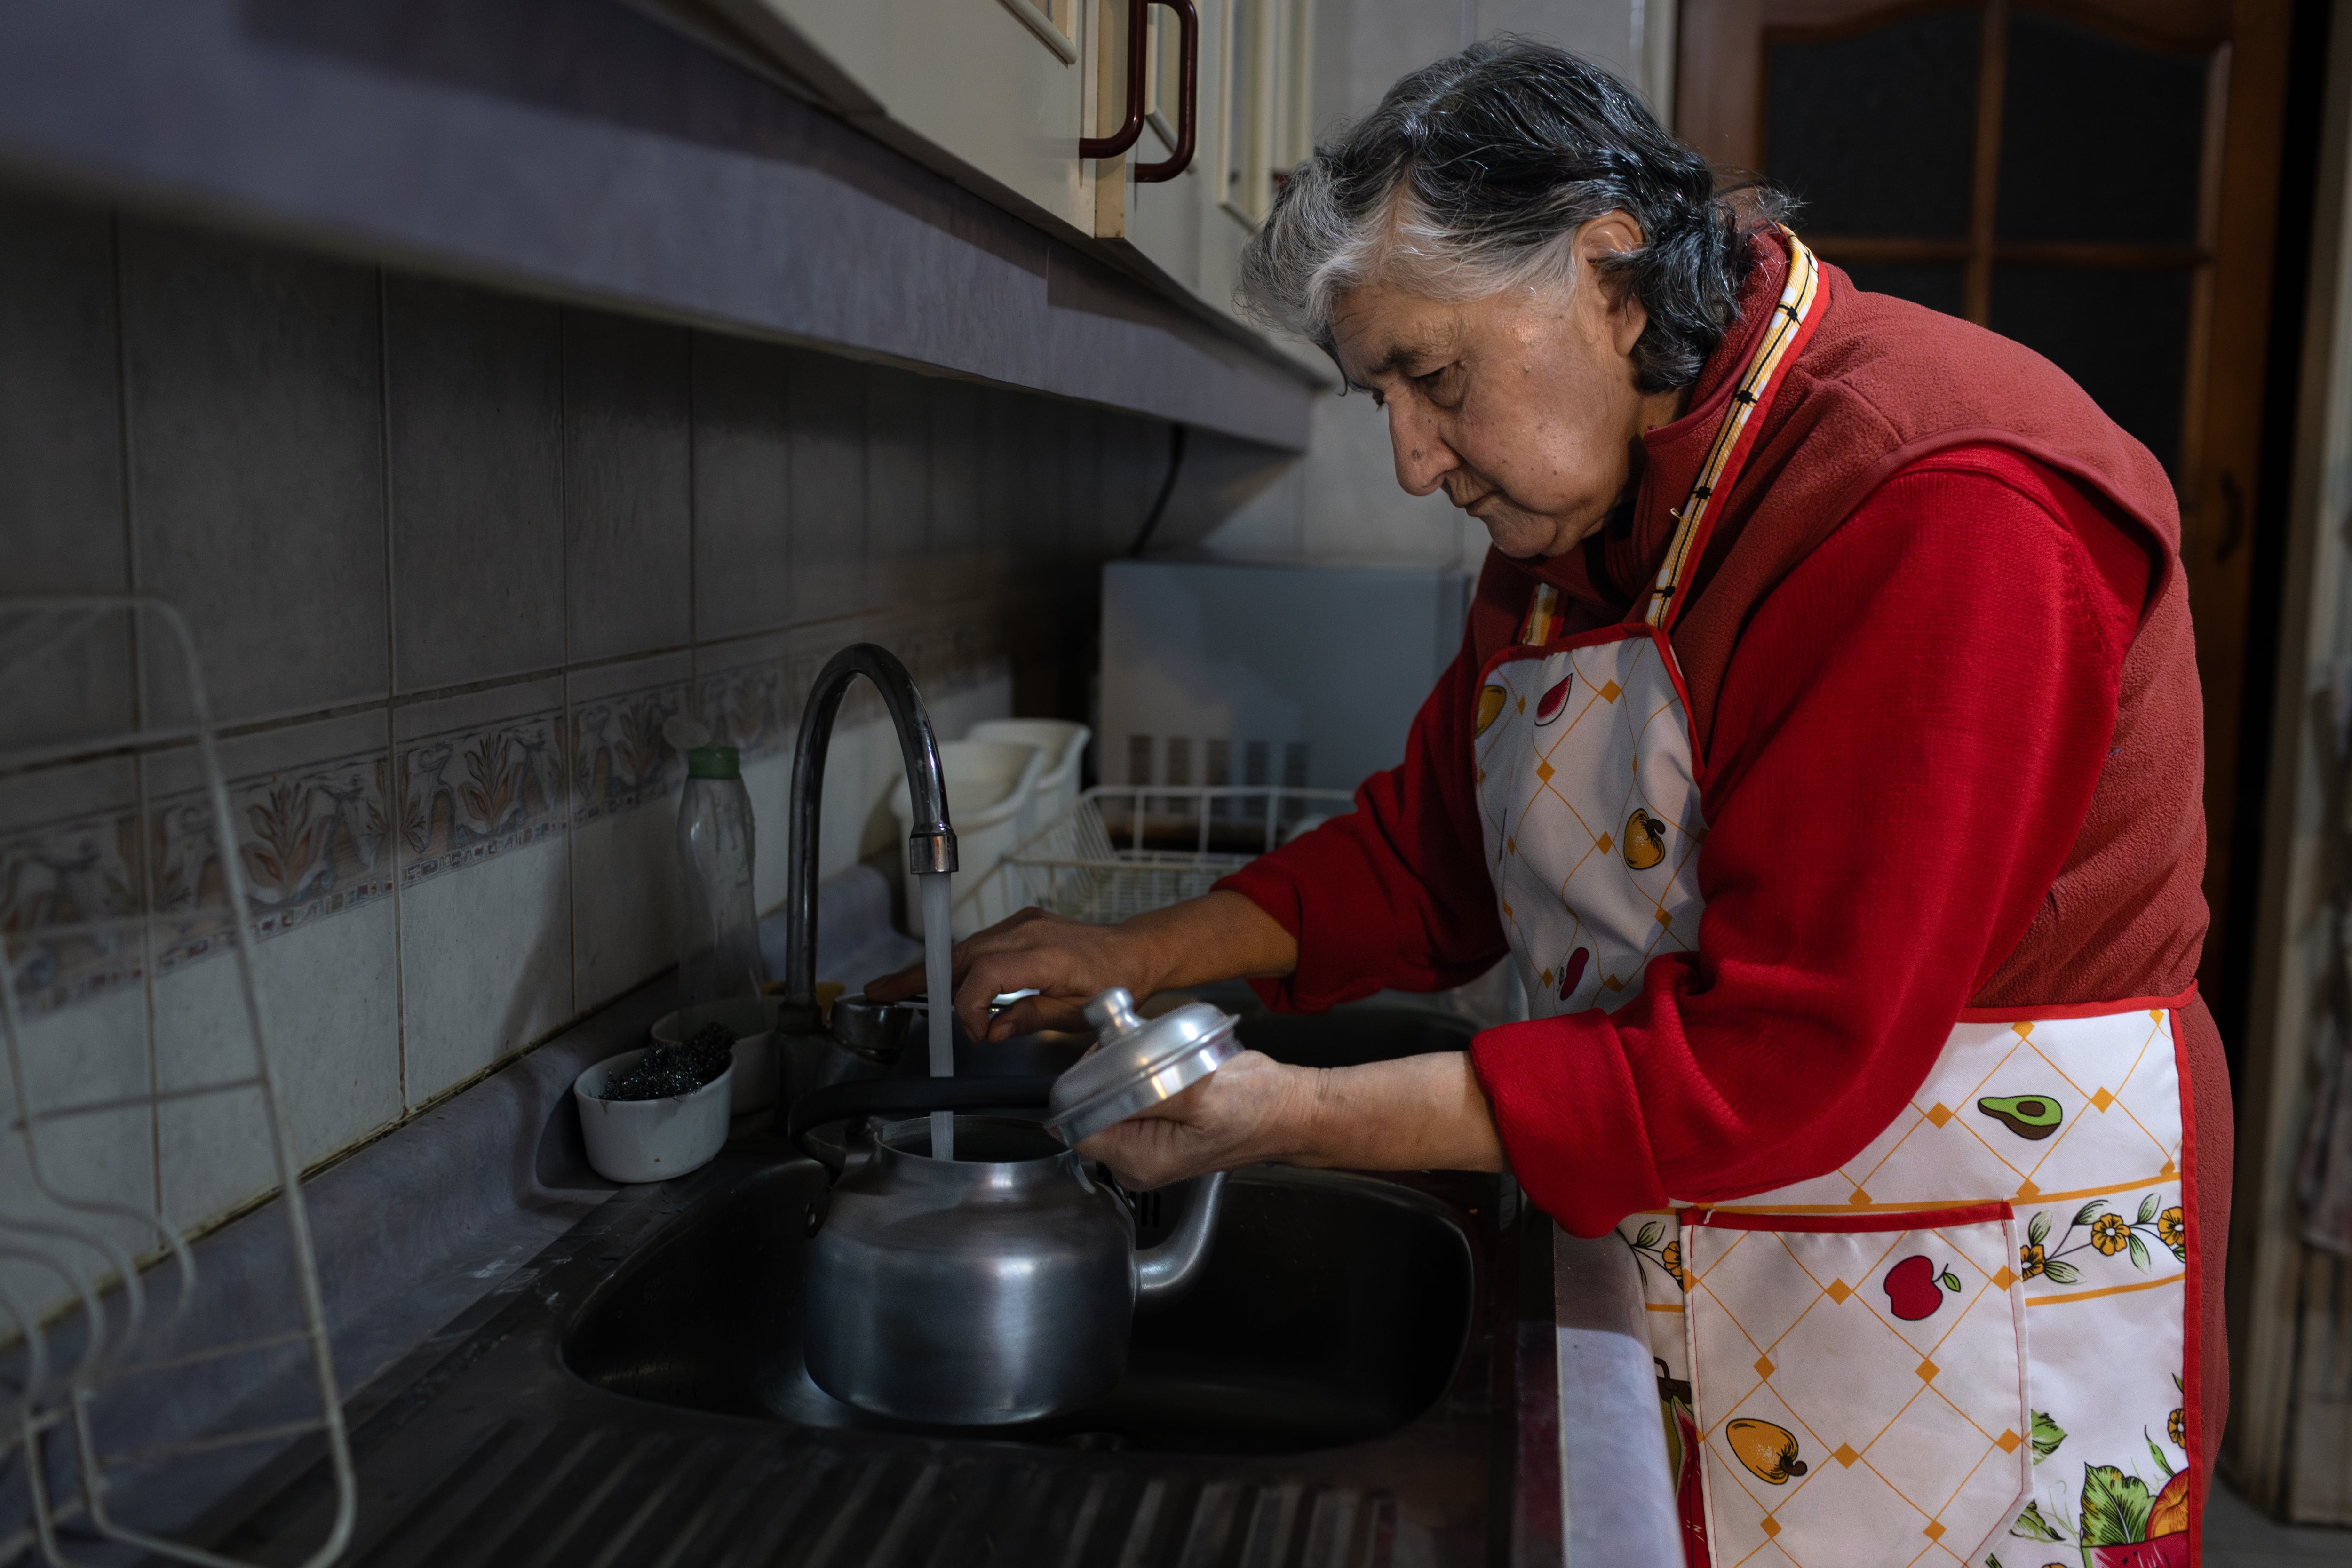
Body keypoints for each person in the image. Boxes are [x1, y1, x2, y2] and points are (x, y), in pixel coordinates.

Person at [872, 39, 2224, 1567]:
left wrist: (1292, 1115)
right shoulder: (1592, 499)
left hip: (1965, 1275)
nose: (1411, 458)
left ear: (1611, 275)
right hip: (1718, 1253)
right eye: (1383, 394)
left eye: (1432, 380)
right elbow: (1434, 856)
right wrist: (1134, 955)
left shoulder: (1939, 504)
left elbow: (1790, 1053)